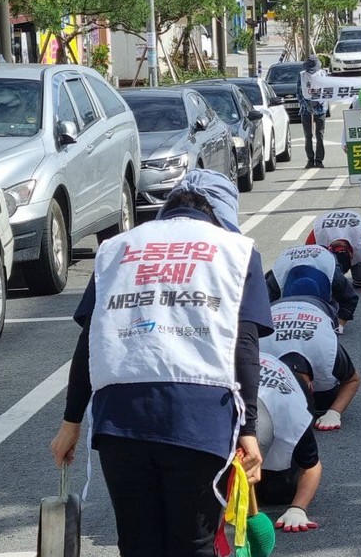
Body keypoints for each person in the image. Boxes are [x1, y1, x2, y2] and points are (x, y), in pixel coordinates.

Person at [50, 170, 273, 557]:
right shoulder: (236, 250)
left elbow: (90, 340)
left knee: (138, 544)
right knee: (194, 542)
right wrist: (248, 429)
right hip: (200, 417)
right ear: (221, 214)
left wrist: (71, 423)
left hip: (121, 420)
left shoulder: (117, 249)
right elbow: (245, 345)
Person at [261, 288, 361, 431]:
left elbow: (353, 379)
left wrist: (334, 413)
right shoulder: (260, 355)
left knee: (324, 405)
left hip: (319, 308)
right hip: (275, 307)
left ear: (311, 386)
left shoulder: (328, 352)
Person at [256, 353, 322, 532]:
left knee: (279, 491)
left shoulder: (293, 416)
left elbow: (311, 466)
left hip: (283, 389)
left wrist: (298, 509)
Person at [265, 244, 359, 335]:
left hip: (322, 255)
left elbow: (350, 299)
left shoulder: (334, 275)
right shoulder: (276, 279)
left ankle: (327, 308)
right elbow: (265, 308)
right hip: (289, 259)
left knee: (331, 315)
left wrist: (339, 325)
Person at [306, 209, 361, 294]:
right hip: (327, 226)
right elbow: (307, 260)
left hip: (355, 224)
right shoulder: (318, 235)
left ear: (352, 253)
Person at [299, 55, 327, 169]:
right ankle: (310, 159)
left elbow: (327, 91)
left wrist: (318, 102)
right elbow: (299, 93)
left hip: (321, 109)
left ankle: (319, 160)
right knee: (308, 135)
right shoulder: (302, 76)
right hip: (306, 110)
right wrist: (307, 104)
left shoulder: (323, 74)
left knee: (319, 135)